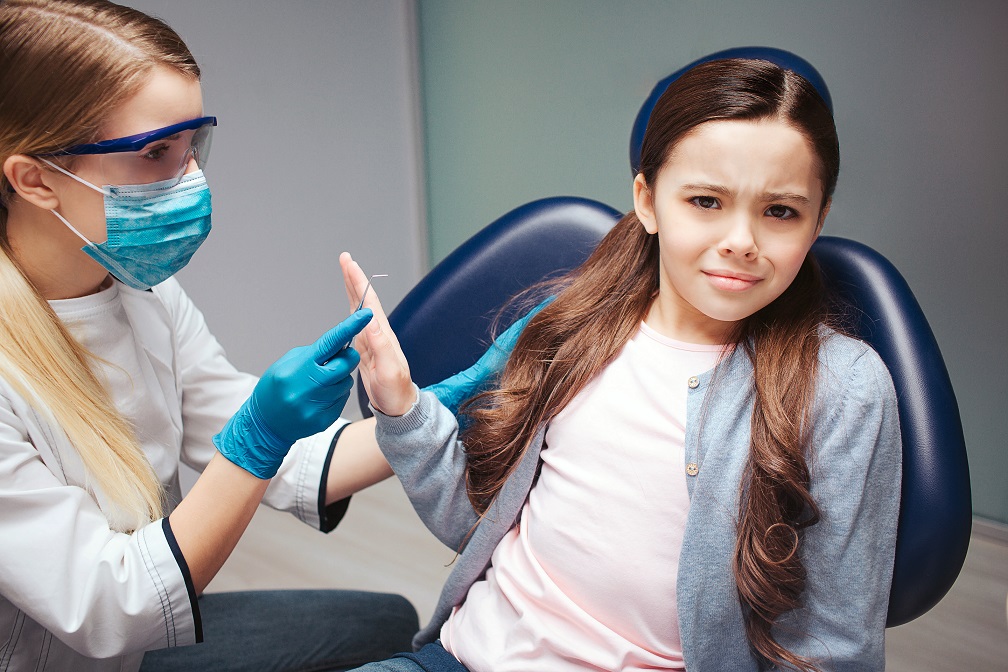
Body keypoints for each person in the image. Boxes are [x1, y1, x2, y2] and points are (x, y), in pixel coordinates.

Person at [339, 55, 902, 671]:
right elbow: (479, 530)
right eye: (707, 201)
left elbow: (833, 647)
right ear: (648, 200)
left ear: (818, 220)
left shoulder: (843, 387)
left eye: (781, 211)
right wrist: (400, 403)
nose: (741, 239)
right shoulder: (576, 327)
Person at [0, 1, 418, 670]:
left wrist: (442, 408)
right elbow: (113, 607)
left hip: (128, 654)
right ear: (34, 179)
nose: (191, 178)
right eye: (156, 153)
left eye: (193, 145)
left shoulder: (146, 295)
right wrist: (256, 440)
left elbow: (293, 460)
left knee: (388, 622)